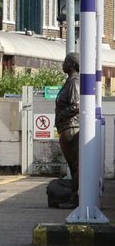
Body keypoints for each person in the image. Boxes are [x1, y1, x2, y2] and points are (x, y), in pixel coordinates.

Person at [54, 51, 81, 204]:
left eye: (65, 62)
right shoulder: (70, 82)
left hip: (71, 128)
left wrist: (60, 115)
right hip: (66, 127)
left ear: (72, 65)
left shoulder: (74, 83)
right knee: (73, 165)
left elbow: (76, 105)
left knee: (75, 165)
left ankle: (75, 197)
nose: (63, 64)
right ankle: (74, 195)